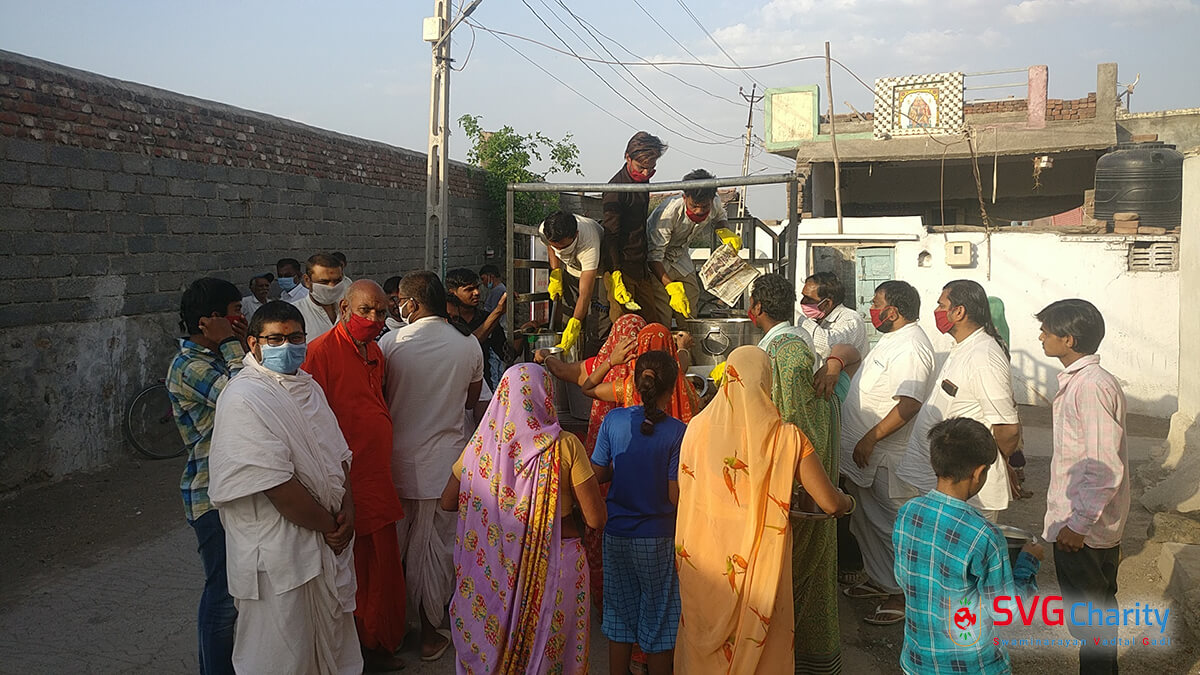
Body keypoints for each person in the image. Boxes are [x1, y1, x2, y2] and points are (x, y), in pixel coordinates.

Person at [674, 346, 852, 673]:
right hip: (757, 563)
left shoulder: (696, 427)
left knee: (703, 634)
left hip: (704, 557)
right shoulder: (786, 438)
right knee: (756, 643)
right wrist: (848, 501)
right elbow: (828, 502)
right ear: (766, 382)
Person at [207, 300, 362, 675]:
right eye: (275, 339)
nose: (287, 346)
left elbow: (337, 454)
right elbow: (275, 485)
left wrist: (348, 511)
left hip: (326, 542)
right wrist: (331, 527)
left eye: (295, 338)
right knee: (280, 656)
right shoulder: (244, 397)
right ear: (253, 344)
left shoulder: (309, 387)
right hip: (279, 554)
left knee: (330, 647)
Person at [439, 363, 606, 674]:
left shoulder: (480, 448)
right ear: (546, 396)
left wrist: (497, 515)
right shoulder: (565, 446)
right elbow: (596, 519)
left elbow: (448, 501)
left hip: (493, 569)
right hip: (558, 567)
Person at [301, 280, 407, 672]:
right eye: (365, 310)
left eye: (380, 312)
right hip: (346, 479)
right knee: (359, 569)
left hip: (377, 474)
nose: (374, 319)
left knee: (383, 564)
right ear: (345, 308)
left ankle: (381, 640)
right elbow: (310, 422)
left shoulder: (374, 350)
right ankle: (363, 649)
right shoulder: (320, 352)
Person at [381, 271, 483, 662]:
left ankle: (394, 633)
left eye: (400, 302)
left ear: (412, 303)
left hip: (397, 464)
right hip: (445, 468)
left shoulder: (391, 344)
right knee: (436, 553)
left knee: (399, 551)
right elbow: (471, 401)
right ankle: (429, 634)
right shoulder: (467, 344)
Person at [893, 417, 1042, 675]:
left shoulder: (908, 512)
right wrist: (1027, 563)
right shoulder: (984, 535)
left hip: (917, 662)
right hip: (973, 667)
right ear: (978, 472)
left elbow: (903, 577)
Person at [1037, 299, 1129, 674]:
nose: (1040, 337)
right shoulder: (1085, 381)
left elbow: (1103, 463)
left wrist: (1078, 524)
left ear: (1069, 339)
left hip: (1084, 530)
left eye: (1046, 331)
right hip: (1088, 524)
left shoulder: (1090, 386)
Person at [839, 280, 935, 625]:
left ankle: (906, 596)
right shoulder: (893, 340)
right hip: (865, 457)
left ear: (892, 311)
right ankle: (883, 581)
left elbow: (909, 404)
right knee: (867, 523)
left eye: (876, 304)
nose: (871, 310)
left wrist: (870, 438)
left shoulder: (912, 346)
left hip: (886, 457)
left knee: (896, 529)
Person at [165, 277, 246, 675]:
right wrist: (233, 344)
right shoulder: (189, 366)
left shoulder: (218, 357)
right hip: (210, 495)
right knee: (223, 597)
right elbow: (242, 398)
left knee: (239, 593)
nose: (241, 319)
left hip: (235, 488)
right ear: (210, 320)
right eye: (235, 313)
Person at [591, 351, 687, 675]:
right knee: (660, 619)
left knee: (619, 619)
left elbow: (597, 473)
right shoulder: (677, 431)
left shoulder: (614, 421)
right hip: (658, 537)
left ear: (634, 383)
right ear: (671, 390)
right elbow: (674, 494)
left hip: (617, 533)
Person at [894, 280, 1021, 523]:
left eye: (942, 306)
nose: (937, 311)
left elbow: (1007, 428)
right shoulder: (965, 348)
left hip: (967, 489)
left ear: (959, 311)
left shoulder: (984, 356)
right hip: (947, 483)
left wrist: (997, 463)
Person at [762, 329, 844, 672]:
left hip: (792, 514)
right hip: (817, 510)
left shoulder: (768, 414)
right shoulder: (824, 402)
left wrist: (836, 363)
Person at [646, 169, 740, 326]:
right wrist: (670, 287)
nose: (699, 211)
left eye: (704, 207)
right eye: (694, 206)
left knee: (690, 300)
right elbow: (654, 257)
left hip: (680, 255)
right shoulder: (668, 213)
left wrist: (725, 232)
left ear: (712, 199)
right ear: (684, 198)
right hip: (658, 261)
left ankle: (688, 338)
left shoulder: (715, 202)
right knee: (663, 309)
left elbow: (720, 218)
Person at [602, 131, 668, 319]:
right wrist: (615, 274)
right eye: (641, 168)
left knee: (651, 323)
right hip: (621, 268)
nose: (646, 173)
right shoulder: (615, 189)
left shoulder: (642, 181)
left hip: (641, 267)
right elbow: (610, 235)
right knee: (625, 325)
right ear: (627, 157)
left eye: (651, 168)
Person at [799, 272, 871, 398]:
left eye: (809, 299)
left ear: (827, 303)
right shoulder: (818, 320)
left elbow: (828, 346)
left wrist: (799, 319)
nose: (803, 302)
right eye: (803, 296)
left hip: (847, 395)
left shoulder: (850, 318)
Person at [542, 210, 603, 352]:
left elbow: (585, 294)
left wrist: (575, 323)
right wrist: (556, 271)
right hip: (571, 268)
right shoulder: (545, 229)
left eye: (563, 247)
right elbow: (549, 245)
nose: (559, 251)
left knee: (597, 325)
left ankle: (592, 359)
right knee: (566, 315)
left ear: (575, 235)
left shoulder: (590, 243)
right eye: (556, 246)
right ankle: (566, 359)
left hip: (598, 272)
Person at [445, 268, 508, 389]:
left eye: (477, 287)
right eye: (469, 289)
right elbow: (469, 344)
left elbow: (504, 353)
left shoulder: (485, 318)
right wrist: (498, 311)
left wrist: (524, 333)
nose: (477, 293)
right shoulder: (447, 320)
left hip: (484, 387)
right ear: (452, 292)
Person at [290, 252, 349, 343]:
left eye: (337, 281)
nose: (332, 287)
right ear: (307, 281)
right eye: (324, 282)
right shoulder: (294, 314)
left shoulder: (349, 310)